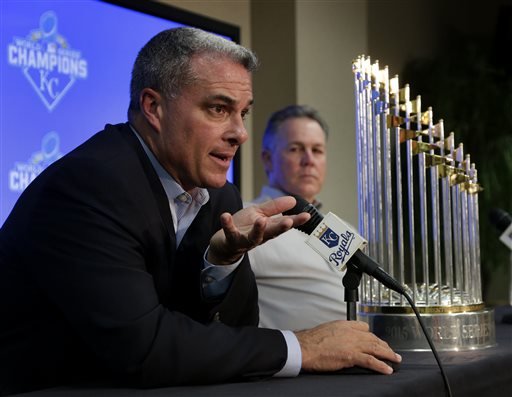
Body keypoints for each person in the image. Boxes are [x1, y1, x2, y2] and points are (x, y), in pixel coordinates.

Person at [0, 27, 400, 395]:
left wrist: (221, 263)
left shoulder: (220, 197)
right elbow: (145, 349)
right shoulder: (89, 186)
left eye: (242, 112)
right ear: (153, 108)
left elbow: (236, 333)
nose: (239, 132)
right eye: (218, 109)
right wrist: (303, 346)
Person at [249, 105, 347, 330]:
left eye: (317, 150)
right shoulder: (249, 221)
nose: (309, 160)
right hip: (300, 360)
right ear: (267, 159)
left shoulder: (344, 229)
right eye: (295, 149)